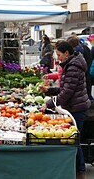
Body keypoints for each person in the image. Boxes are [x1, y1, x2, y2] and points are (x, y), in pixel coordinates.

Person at [39, 41, 91, 179]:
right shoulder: (71, 64)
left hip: (77, 108)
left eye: (59, 55)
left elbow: (67, 92)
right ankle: (77, 170)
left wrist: (49, 104)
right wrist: (49, 90)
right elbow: (64, 89)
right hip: (74, 106)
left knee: (75, 141)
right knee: (74, 140)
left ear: (67, 53)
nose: (58, 58)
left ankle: (80, 172)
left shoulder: (73, 67)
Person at [67, 36, 93, 100]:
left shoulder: (75, 52)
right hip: (88, 73)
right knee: (88, 92)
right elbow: (90, 59)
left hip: (80, 75)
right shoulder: (85, 48)